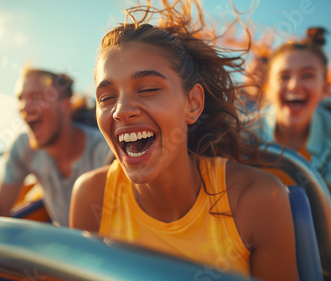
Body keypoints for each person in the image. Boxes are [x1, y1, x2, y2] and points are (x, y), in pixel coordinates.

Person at [69, 1, 299, 280]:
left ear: (193, 104)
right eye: (106, 97)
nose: (121, 110)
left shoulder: (257, 199)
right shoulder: (91, 197)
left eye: (149, 89)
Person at [254, 27, 331, 275]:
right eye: (284, 76)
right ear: (268, 86)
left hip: (308, 226)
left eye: (307, 75)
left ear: (325, 87)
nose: (295, 84)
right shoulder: (247, 130)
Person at [0, 68, 113, 227]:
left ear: (66, 105)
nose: (25, 107)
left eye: (37, 97)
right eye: (21, 99)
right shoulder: (23, 148)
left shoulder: (106, 153)